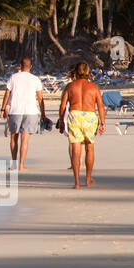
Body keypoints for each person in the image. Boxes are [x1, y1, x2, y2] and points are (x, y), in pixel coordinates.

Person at [56, 61, 104, 189]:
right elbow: (100, 107)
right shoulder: (94, 87)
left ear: (76, 72)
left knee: (76, 149)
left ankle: (77, 182)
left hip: (74, 115)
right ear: (88, 72)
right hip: (90, 116)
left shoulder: (70, 86)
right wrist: (102, 123)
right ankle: (88, 179)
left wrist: (61, 121)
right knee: (90, 148)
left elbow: (63, 106)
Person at [1, 58, 45, 171]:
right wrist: (43, 113)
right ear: (30, 67)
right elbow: (40, 98)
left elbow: (7, 94)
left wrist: (2, 109)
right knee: (25, 139)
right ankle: (21, 165)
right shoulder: (35, 79)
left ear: (20, 66)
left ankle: (14, 164)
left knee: (13, 137)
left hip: (15, 110)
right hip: (31, 112)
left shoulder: (13, 77)